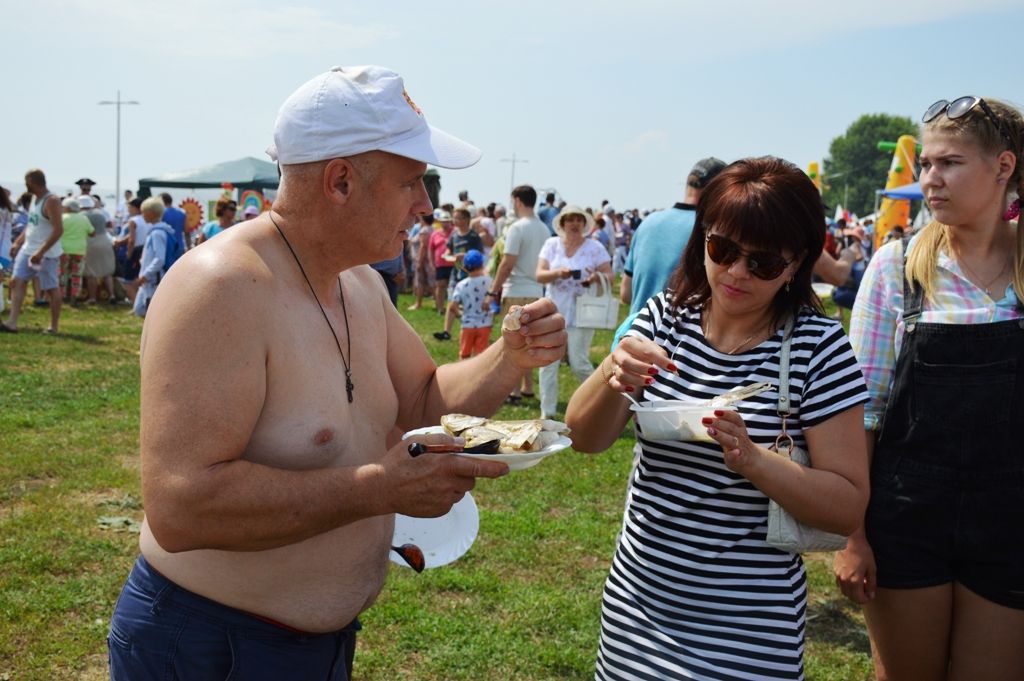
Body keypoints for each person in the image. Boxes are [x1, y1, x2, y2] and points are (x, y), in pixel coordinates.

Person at [106, 65, 566, 681]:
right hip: (209, 648)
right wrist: (381, 487)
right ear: (341, 181)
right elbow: (182, 507)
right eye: (412, 183)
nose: (427, 206)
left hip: (311, 650)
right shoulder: (222, 288)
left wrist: (508, 356)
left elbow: (424, 400)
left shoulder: (361, 284)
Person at [566, 157, 870, 680]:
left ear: (796, 264)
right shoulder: (666, 315)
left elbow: (845, 505)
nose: (735, 272)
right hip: (637, 606)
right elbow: (583, 437)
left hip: (747, 628)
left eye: (763, 263)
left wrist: (753, 460)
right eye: (723, 249)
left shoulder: (819, 348)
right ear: (702, 239)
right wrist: (614, 371)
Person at [834, 96, 1024, 681]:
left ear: (1003, 167)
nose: (931, 179)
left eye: (950, 163)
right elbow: (862, 414)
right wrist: (853, 537)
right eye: (927, 164)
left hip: (1012, 518)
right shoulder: (897, 269)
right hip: (907, 514)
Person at [619, 157, 726, 323]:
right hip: (674, 341)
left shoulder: (648, 222)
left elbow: (626, 294)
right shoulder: (709, 231)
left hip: (631, 337)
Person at [535, 205, 612, 419]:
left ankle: (601, 403)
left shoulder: (595, 247)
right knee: (548, 363)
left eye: (579, 220)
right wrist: (558, 273)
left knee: (579, 363)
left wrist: (595, 277)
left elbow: (610, 275)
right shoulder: (551, 245)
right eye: (570, 220)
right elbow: (539, 275)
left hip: (582, 311)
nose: (575, 224)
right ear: (562, 224)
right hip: (553, 311)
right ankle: (547, 413)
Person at [488, 184, 551, 403]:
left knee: (513, 343)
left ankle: (513, 391)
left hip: (515, 290)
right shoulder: (544, 228)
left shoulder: (517, 227)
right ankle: (527, 387)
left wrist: (492, 290)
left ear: (517, 201)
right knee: (530, 342)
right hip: (536, 293)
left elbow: (507, 263)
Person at [1, 169, 64, 334]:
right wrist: (18, 242)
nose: (24, 185)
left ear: (33, 182)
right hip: (28, 249)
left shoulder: (52, 201)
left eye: (26, 181)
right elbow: (31, 224)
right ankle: (12, 322)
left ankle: (54, 326)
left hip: (47, 253)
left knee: (51, 288)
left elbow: (58, 230)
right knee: (16, 282)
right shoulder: (35, 199)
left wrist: (41, 252)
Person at [434, 208, 483, 341]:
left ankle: (474, 329)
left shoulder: (473, 237)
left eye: (458, 218)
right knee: (451, 302)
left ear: (467, 220)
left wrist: (465, 255)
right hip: (455, 274)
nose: (455, 221)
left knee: (470, 304)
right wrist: (448, 254)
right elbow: (450, 248)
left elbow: (479, 255)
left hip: (470, 276)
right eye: (454, 218)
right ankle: (446, 332)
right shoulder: (454, 236)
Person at [131, 197, 176, 318]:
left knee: (145, 310)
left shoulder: (157, 233)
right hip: (151, 279)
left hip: (153, 280)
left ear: (151, 213)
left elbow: (159, 259)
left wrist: (145, 275)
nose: (142, 215)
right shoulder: (160, 231)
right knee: (141, 309)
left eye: (144, 212)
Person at [450, 249, 494, 359]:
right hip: (485, 324)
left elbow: (452, 307)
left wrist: (461, 314)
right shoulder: (489, 281)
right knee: (481, 357)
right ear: (482, 264)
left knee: (465, 355)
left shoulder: (461, 285)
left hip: (467, 325)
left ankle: (464, 375)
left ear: (465, 267)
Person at [81, 196, 117, 304]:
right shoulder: (101, 213)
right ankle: (111, 295)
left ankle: (92, 298)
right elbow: (109, 226)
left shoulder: (82, 216)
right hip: (105, 242)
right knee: (107, 271)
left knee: (91, 272)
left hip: (91, 243)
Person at [58, 198, 94, 304]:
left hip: (63, 249)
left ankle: (62, 296)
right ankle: (74, 297)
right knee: (77, 275)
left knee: (63, 273)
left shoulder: (62, 218)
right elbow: (92, 233)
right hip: (79, 250)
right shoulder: (84, 219)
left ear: (67, 208)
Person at [407, 213, 436, 311]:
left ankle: (418, 304)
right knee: (430, 282)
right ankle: (437, 302)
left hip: (423, 261)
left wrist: (419, 261)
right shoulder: (431, 229)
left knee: (421, 282)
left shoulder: (424, 230)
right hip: (426, 260)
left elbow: (423, 246)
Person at [428, 210, 455, 314]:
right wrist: (431, 263)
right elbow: (430, 249)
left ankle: (452, 309)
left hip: (453, 263)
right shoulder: (435, 234)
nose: (445, 223)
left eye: (447, 221)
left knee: (453, 286)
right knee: (440, 285)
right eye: (443, 221)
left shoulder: (455, 232)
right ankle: (440, 308)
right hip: (440, 264)